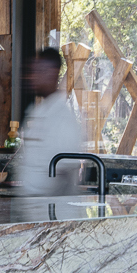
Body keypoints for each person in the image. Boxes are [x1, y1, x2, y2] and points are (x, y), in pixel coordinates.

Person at [16, 47, 89, 195]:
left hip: (52, 208)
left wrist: (52, 211)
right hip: (32, 202)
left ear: (52, 72)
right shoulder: (38, 111)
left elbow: (69, 171)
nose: (32, 77)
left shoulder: (63, 118)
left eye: (37, 71)